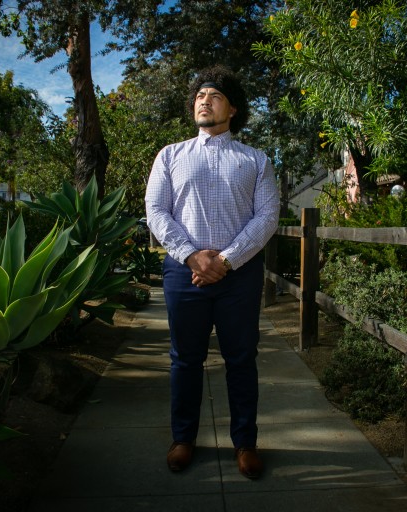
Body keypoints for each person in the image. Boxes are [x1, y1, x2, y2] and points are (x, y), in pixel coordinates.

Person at [145, 65, 280, 479]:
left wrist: (224, 261)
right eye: (200, 95)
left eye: (215, 95)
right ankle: (183, 439)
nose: (204, 100)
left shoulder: (256, 160)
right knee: (185, 360)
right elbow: (155, 211)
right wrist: (192, 257)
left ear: (233, 109)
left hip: (238, 276)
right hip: (184, 275)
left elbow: (267, 217)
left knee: (241, 359)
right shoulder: (170, 155)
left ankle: (245, 444)